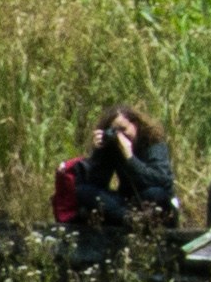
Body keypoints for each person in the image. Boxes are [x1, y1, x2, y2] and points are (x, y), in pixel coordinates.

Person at [48, 102, 173, 270]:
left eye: (124, 129)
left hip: (150, 200)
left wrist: (130, 157)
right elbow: (96, 183)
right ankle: (130, 219)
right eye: (115, 131)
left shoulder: (153, 143)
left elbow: (161, 181)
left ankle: (130, 218)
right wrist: (99, 152)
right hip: (127, 206)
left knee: (156, 193)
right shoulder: (112, 146)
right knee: (84, 192)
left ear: (135, 124)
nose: (120, 135)